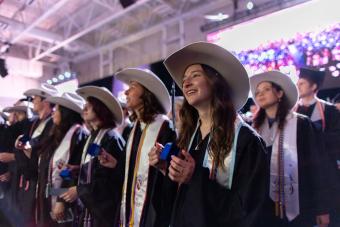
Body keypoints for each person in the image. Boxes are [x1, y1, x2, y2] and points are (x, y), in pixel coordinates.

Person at [157, 41, 268, 227]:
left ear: (215, 82)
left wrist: (194, 177)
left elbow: (247, 209)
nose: (186, 81)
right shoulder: (189, 136)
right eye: (184, 78)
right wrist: (165, 169)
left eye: (195, 75)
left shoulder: (246, 141)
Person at [250, 70, 330, 227]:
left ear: (279, 93)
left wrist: (322, 208)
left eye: (266, 89)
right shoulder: (253, 129)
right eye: (257, 92)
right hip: (263, 206)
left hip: (299, 202)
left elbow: (317, 167)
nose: (260, 94)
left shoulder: (301, 124)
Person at [115, 68, 176, 227]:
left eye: (133, 87)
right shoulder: (133, 128)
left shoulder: (164, 127)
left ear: (147, 93)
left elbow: (169, 175)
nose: (126, 92)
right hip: (129, 207)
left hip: (153, 210)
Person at [61, 86, 125, 227]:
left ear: (100, 108)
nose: (84, 109)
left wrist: (80, 190)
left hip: (103, 215)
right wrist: (77, 170)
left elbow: (110, 181)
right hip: (88, 210)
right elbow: (94, 169)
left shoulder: (111, 138)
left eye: (89, 106)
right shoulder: (93, 136)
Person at [34, 92, 88, 226]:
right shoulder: (56, 135)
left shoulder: (78, 134)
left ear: (66, 113)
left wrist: (61, 200)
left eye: (57, 109)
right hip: (46, 198)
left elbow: (72, 171)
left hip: (64, 202)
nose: (53, 112)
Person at [296, 67, 340, 226]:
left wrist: (312, 139)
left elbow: (337, 139)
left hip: (325, 171)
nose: (298, 86)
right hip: (301, 172)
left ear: (313, 87)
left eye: (302, 83)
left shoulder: (329, 111)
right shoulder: (294, 111)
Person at [15, 83, 58, 226]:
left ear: (45, 102)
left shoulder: (52, 123)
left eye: (35, 98)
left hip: (42, 179)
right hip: (30, 178)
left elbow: (41, 149)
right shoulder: (36, 123)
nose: (33, 101)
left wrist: (25, 149)